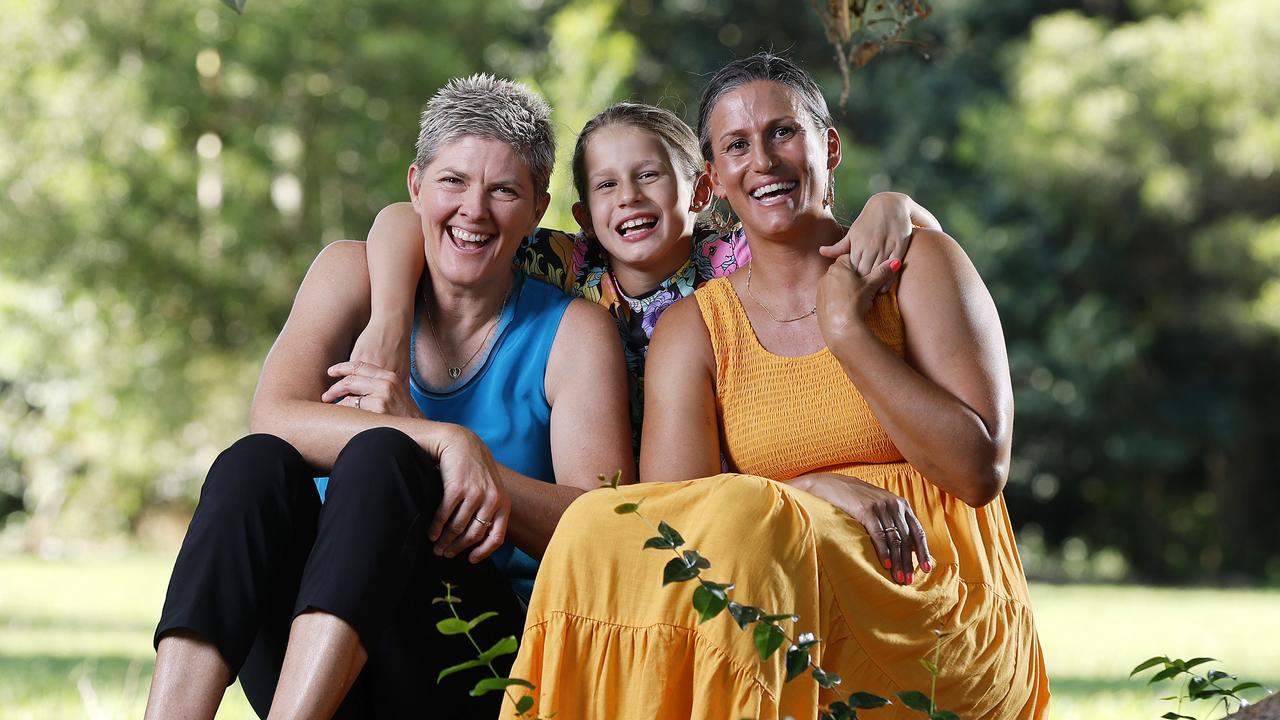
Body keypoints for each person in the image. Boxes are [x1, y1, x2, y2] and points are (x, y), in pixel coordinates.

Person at [504, 53, 1050, 720]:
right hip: (784, 609)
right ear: (715, 179)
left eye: (783, 133)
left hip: (935, 601)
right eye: (738, 145)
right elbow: (679, 532)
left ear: (829, 146)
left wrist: (847, 328)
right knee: (602, 521)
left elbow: (979, 471)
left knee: (744, 526)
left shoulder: (918, 265)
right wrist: (809, 489)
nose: (762, 161)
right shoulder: (695, 330)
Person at [144, 74, 632, 720]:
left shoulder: (573, 333)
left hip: (470, 656)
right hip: (310, 651)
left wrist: (473, 472)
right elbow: (272, 418)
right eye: (453, 182)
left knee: (383, 462)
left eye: (504, 191)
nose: (474, 210)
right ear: (416, 187)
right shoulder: (355, 277)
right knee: (250, 465)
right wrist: (440, 437)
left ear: (537, 209)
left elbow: (603, 533)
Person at [351, 103, 941, 452]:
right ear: (584, 217)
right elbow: (403, 218)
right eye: (606, 185)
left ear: (703, 191)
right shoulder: (566, 262)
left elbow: (857, 240)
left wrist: (897, 205)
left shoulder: (734, 262)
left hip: (716, 471)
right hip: (601, 477)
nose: (629, 198)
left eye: (649, 176)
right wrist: (388, 321)